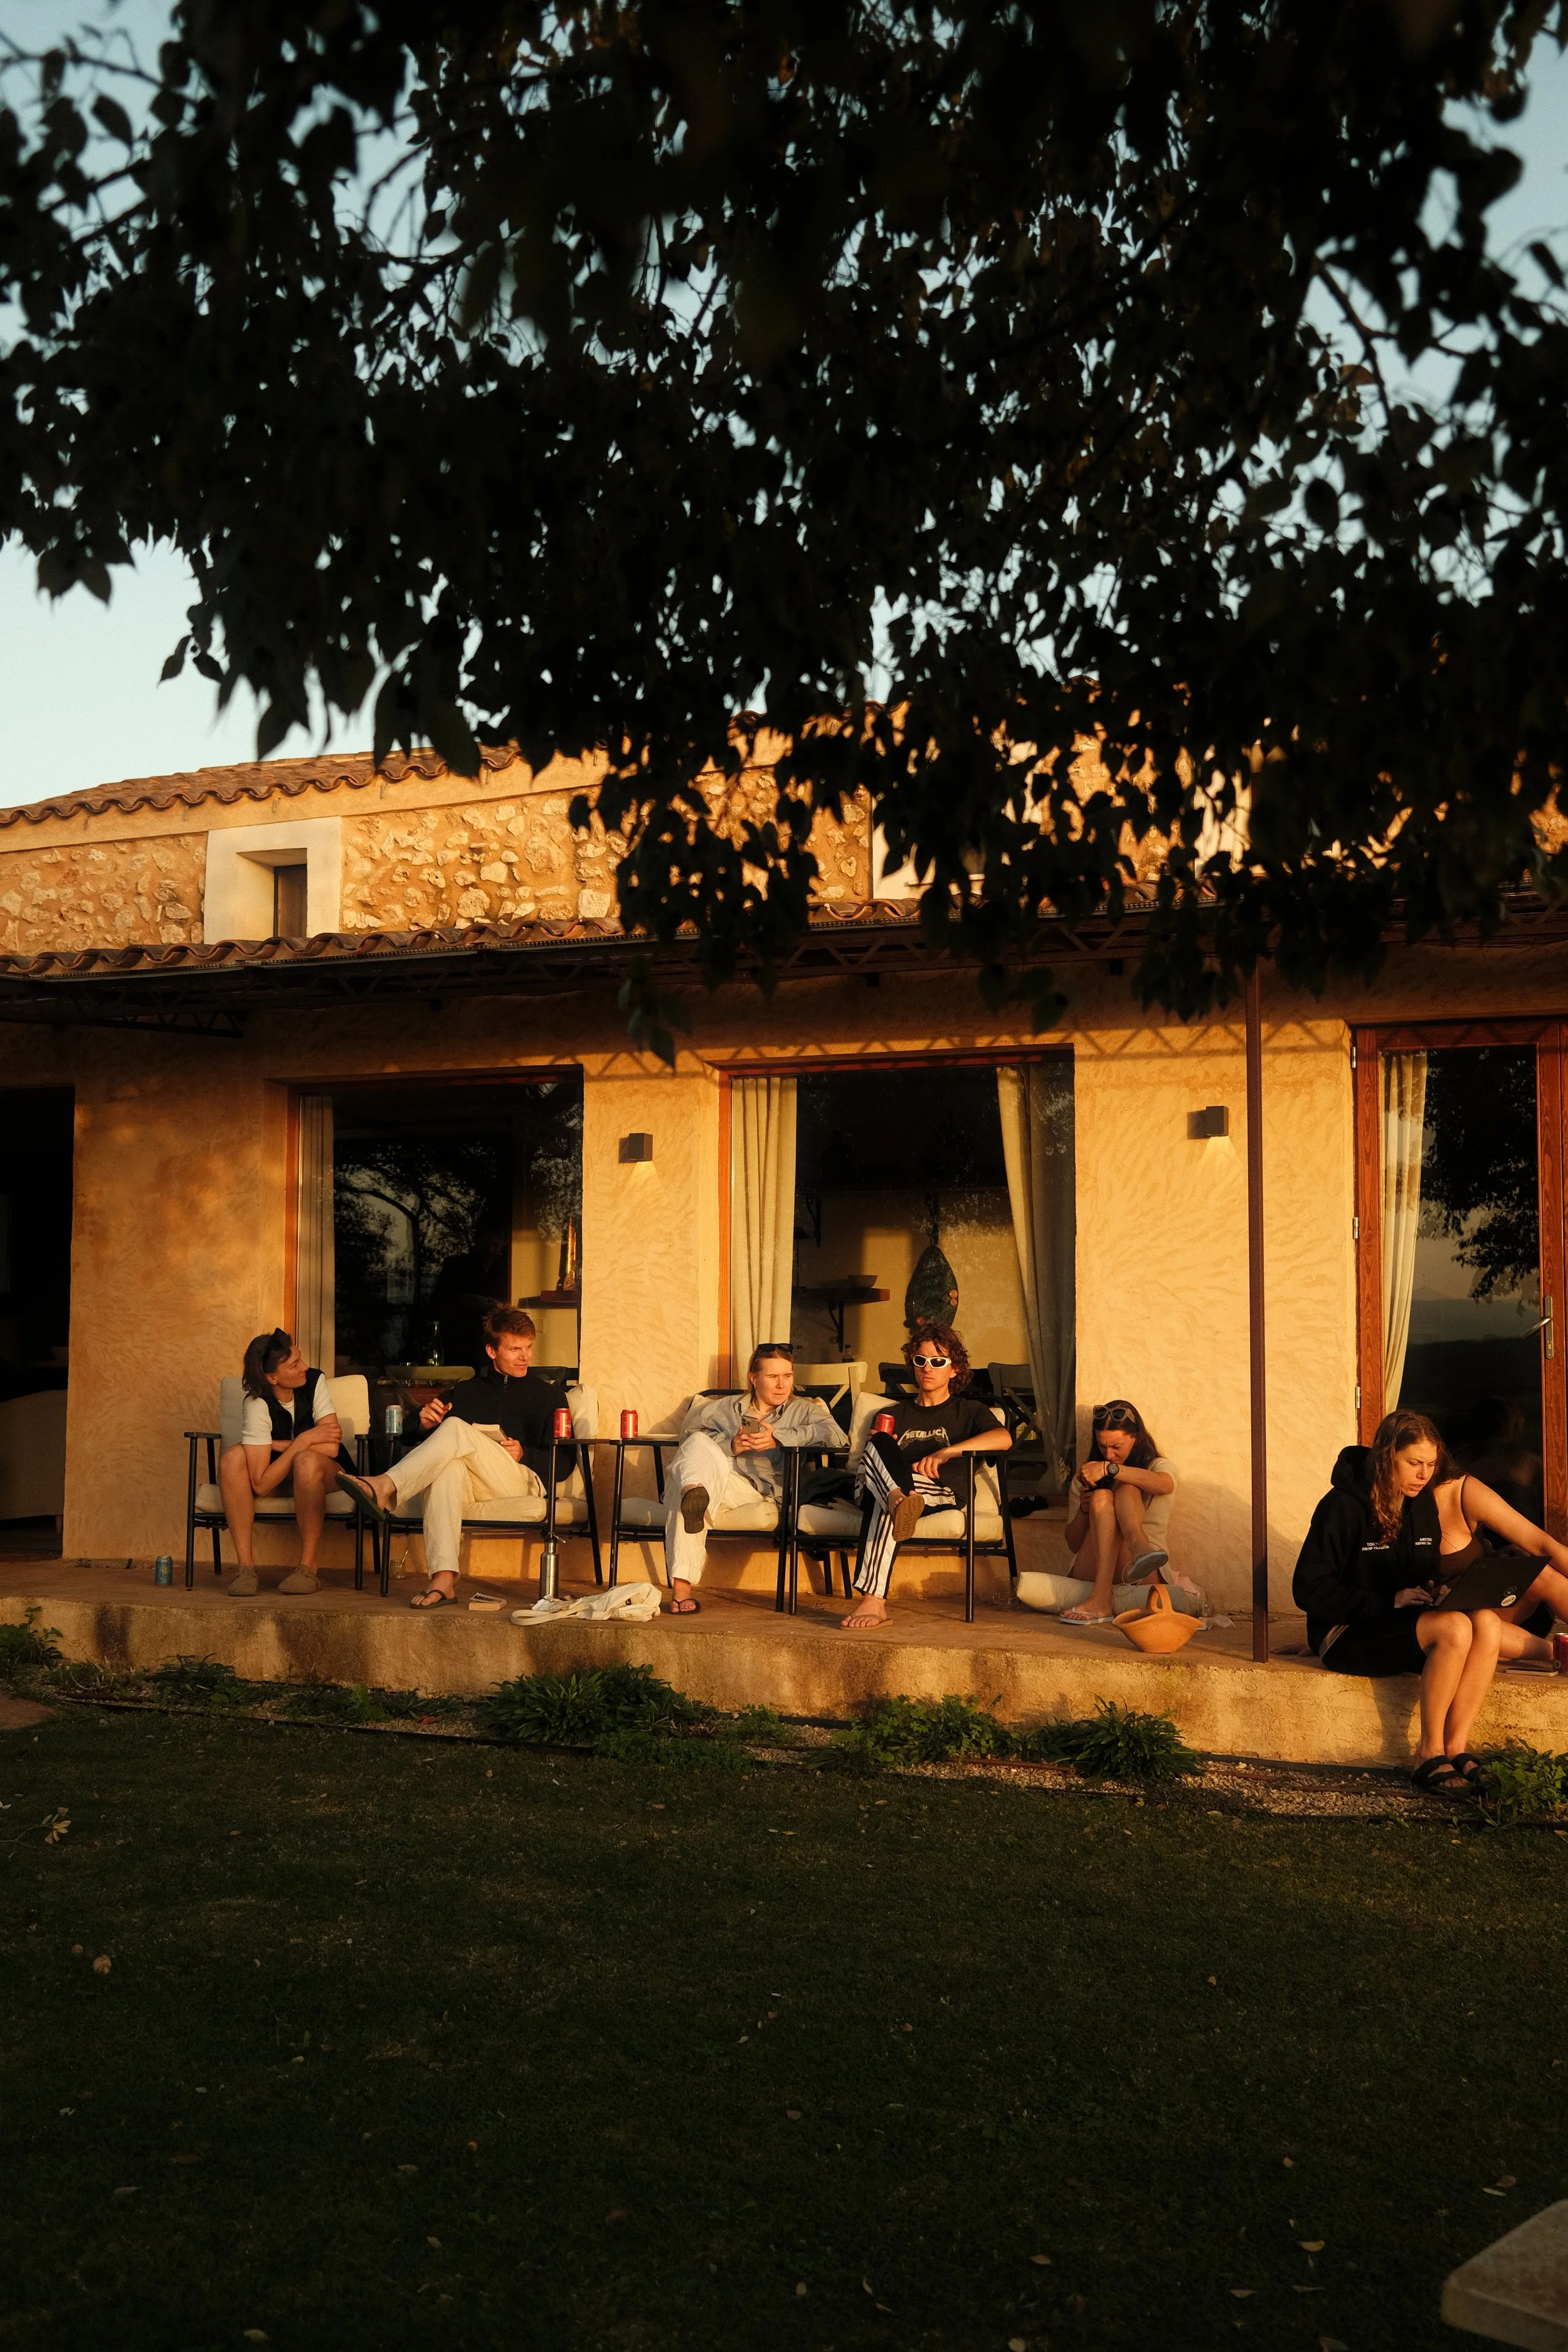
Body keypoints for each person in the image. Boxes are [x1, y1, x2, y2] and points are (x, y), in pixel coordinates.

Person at [1292, 1409, 1568, 1796]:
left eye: (1431, 1464)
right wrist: (1389, 1599)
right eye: (1415, 1463)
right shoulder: (1343, 1505)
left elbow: (1418, 1571)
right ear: (1388, 1456)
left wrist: (1436, 1591)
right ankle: (1427, 1753)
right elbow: (1308, 1588)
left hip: (1400, 1624)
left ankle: (1456, 1747)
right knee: (1455, 1627)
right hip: (1347, 1634)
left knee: (1485, 1622)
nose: (1424, 1474)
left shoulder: (1420, 1504)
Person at [339, 1306, 572, 1608]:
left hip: (521, 1479)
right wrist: (420, 1423)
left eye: (528, 1347)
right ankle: (444, 1580)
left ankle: (384, 1486)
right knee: (447, 1467)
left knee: (455, 1428)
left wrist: (525, 1454)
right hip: (472, 1484)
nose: (525, 1356)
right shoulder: (465, 1392)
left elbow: (565, 1462)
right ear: (492, 1350)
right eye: (515, 1349)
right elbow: (413, 1438)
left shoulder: (550, 1396)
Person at [840, 1322, 1012, 1631]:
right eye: (920, 1361)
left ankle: (873, 1601)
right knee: (879, 1442)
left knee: (889, 1501)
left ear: (955, 1369)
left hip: (938, 1491)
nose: (927, 1368)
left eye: (938, 1361)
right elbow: (872, 1458)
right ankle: (896, 1498)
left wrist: (948, 1452)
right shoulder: (894, 1413)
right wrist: (893, 1486)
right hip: (882, 1488)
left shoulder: (968, 1411)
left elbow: (1003, 1439)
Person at [664, 1343, 844, 1614]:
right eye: (773, 1377)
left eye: (788, 1376)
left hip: (761, 1490)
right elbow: (688, 1440)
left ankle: (692, 1494)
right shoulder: (724, 1408)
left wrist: (780, 1438)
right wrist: (731, 1445)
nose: (782, 1385)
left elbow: (838, 1437)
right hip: (721, 1477)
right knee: (698, 1446)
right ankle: (694, 1490)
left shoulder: (804, 1410)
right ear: (753, 1378)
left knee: (684, 1495)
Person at [219, 1328, 356, 1597]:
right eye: (294, 1364)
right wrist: (303, 1440)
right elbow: (261, 1484)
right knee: (232, 1457)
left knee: (306, 1461)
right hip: (278, 1476)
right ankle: (246, 1569)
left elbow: (330, 1445)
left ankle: (308, 1568)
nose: (305, 1367)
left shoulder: (315, 1381)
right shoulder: (257, 1403)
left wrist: (278, 1445)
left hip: (324, 1473)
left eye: (300, 1359)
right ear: (272, 1377)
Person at [1058, 1399, 1177, 1625]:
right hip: (1092, 1564)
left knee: (1128, 1485)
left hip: (1139, 1568)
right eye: (1103, 1447)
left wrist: (1112, 1471)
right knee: (1102, 1496)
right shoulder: (1087, 1476)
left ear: (1136, 1438)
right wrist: (1085, 1511)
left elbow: (1165, 1485)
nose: (1109, 1455)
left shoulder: (1158, 1466)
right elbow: (1073, 1544)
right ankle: (1102, 1596)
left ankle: (1139, 1548)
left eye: (1116, 1447)